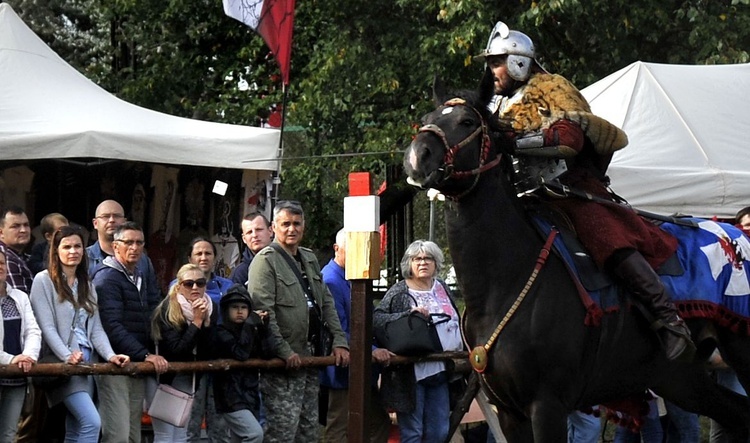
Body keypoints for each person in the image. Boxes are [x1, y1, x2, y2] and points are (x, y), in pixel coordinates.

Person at [477, 21, 693, 361]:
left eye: (496, 62)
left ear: (519, 60)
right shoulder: (497, 107)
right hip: (525, 199)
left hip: (568, 190)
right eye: (489, 64)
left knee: (604, 234)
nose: (492, 71)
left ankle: (667, 318)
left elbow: (569, 140)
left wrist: (512, 141)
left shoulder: (552, 87)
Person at [248, 200, 349, 442]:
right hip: (282, 362)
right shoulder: (265, 260)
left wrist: (340, 340)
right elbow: (264, 313)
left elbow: (326, 303)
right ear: (274, 227)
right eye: (285, 224)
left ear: (303, 226)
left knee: (308, 432)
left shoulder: (309, 258)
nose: (291, 229)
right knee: (282, 432)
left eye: (296, 223)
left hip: (310, 355)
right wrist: (284, 351)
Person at [30, 226, 130, 442]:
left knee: (76, 427)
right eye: (66, 246)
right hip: (64, 363)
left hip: (89, 363)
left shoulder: (88, 285)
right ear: (55, 250)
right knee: (91, 422)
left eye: (77, 246)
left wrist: (111, 355)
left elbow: (96, 330)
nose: (73, 251)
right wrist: (67, 356)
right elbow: (46, 327)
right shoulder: (43, 280)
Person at [373, 240, 463, 443]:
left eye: (428, 258)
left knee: (439, 431)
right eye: (417, 259)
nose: (423, 263)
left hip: (441, 369)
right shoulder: (400, 290)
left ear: (436, 262)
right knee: (413, 432)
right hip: (410, 373)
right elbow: (377, 319)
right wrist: (407, 315)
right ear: (409, 263)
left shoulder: (441, 287)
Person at [92, 222, 168, 443]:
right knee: (118, 435)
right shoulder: (107, 278)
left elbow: (155, 312)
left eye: (139, 243)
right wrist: (146, 355)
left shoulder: (140, 274)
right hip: (115, 364)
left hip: (137, 364)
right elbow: (112, 327)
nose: (135, 248)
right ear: (116, 246)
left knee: (134, 435)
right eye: (128, 242)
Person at [320, 228, 393, 443]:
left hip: (361, 368)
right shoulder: (331, 280)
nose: (357, 254)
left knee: (377, 423)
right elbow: (339, 329)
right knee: (339, 427)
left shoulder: (352, 277)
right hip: (344, 368)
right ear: (337, 249)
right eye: (351, 249)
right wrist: (372, 350)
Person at [173, 237, 232, 443]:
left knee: (219, 424)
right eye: (198, 253)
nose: (203, 257)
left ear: (215, 257)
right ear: (190, 257)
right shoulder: (175, 289)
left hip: (217, 361)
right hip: (187, 369)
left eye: (208, 253)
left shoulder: (227, 286)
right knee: (189, 426)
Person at [151, 263, 218, 443]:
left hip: (192, 379)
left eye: (200, 283)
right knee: (165, 434)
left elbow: (210, 350)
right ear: (179, 286)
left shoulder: (210, 307)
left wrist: (206, 323)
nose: (195, 288)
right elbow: (177, 351)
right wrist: (196, 322)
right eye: (189, 284)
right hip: (166, 379)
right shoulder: (169, 308)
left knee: (182, 434)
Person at [213, 284, 273, 443]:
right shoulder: (221, 331)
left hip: (250, 393)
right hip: (230, 396)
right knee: (254, 434)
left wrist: (264, 328)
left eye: (244, 307)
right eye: (234, 307)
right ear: (226, 309)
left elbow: (268, 354)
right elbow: (241, 354)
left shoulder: (251, 329)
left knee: (239, 439)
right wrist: (249, 325)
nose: (240, 311)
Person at [0, 246, 41, 442]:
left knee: (9, 433)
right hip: (9, 365)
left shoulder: (19, 297)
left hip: (17, 376)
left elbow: (33, 330)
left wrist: (29, 356)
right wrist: (12, 358)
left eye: (1, 263)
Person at [87, 199, 159, 296]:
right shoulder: (84, 258)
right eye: (106, 216)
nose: (112, 220)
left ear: (125, 221)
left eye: (116, 216)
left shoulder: (143, 260)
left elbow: (153, 298)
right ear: (95, 223)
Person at [230, 213, 273, 286]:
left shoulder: (285, 261)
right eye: (249, 232)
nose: (254, 235)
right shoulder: (240, 274)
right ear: (244, 238)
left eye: (259, 230)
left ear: (270, 231)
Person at [0, 206, 33, 294]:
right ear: (1, 233)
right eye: (15, 226)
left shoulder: (25, 256)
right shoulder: (6, 259)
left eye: (26, 225)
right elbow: (19, 304)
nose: (23, 230)